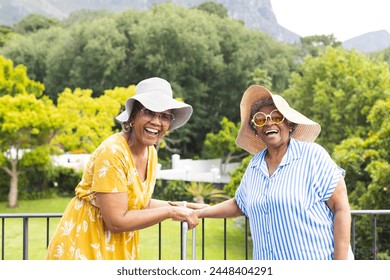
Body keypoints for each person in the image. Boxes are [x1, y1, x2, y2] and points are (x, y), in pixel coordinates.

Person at [46, 77, 203, 260]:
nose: (156, 121)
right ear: (133, 117)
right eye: (149, 112)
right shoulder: (113, 153)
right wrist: (171, 211)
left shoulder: (150, 152)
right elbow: (116, 221)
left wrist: (187, 206)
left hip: (115, 246)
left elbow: (139, 203)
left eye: (164, 116)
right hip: (84, 246)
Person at [196, 85, 352, 260]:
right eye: (261, 119)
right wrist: (201, 212)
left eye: (277, 116)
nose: (269, 122)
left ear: (289, 123)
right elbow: (240, 204)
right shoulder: (254, 165)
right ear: (256, 131)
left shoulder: (313, 155)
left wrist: (340, 268)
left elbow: (341, 209)